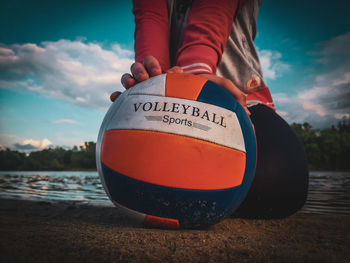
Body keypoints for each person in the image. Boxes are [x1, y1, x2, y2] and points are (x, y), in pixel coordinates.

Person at [112, 0, 309, 218]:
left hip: (235, 91)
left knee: (281, 183)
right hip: (166, 92)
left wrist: (195, 75)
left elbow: (214, 8)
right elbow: (150, 16)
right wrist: (152, 80)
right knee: (132, 176)